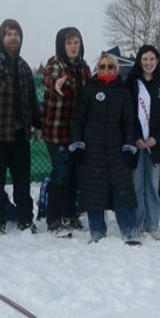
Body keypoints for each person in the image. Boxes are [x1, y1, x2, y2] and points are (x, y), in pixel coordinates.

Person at [0, 19, 41, 235]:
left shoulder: (23, 66)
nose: (13, 38)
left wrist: (37, 124)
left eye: (17, 34)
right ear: (1, 37)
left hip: (20, 135)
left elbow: (31, 98)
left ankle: (25, 219)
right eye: (9, 34)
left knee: (23, 181)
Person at [70, 53, 139, 243]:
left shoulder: (123, 91)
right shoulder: (88, 90)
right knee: (94, 193)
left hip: (117, 151)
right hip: (92, 151)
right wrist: (77, 144)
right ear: (97, 69)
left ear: (116, 69)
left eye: (110, 66)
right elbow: (78, 120)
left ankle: (130, 232)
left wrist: (129, 145)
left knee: (122, 192)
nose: (106, 70)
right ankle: (97, 233)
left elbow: (129, 121)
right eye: (102, 66)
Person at [42, 27, 91, 237]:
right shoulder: (56, 63)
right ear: (62, 45)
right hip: (57, 132)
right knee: (60, 175)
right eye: (69, 43)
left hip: (77, 132)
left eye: (76, 42)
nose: (73, 46)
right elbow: (50, 79)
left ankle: (70, 214)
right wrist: (57, 84)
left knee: (74, 175)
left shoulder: (84, 68)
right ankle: (53, 218)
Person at [126, 45, 160, 241]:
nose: (148, 63)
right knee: (137, 185)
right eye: (145, 59)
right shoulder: (131, 83)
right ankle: (138, 223)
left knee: (153, 186)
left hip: (157, 144)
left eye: (152, 59)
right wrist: (136, 138)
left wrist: (156, 138)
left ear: (157, 61)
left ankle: (153, 223)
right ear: (139, 61)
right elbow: (127, 114)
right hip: (137, 144)